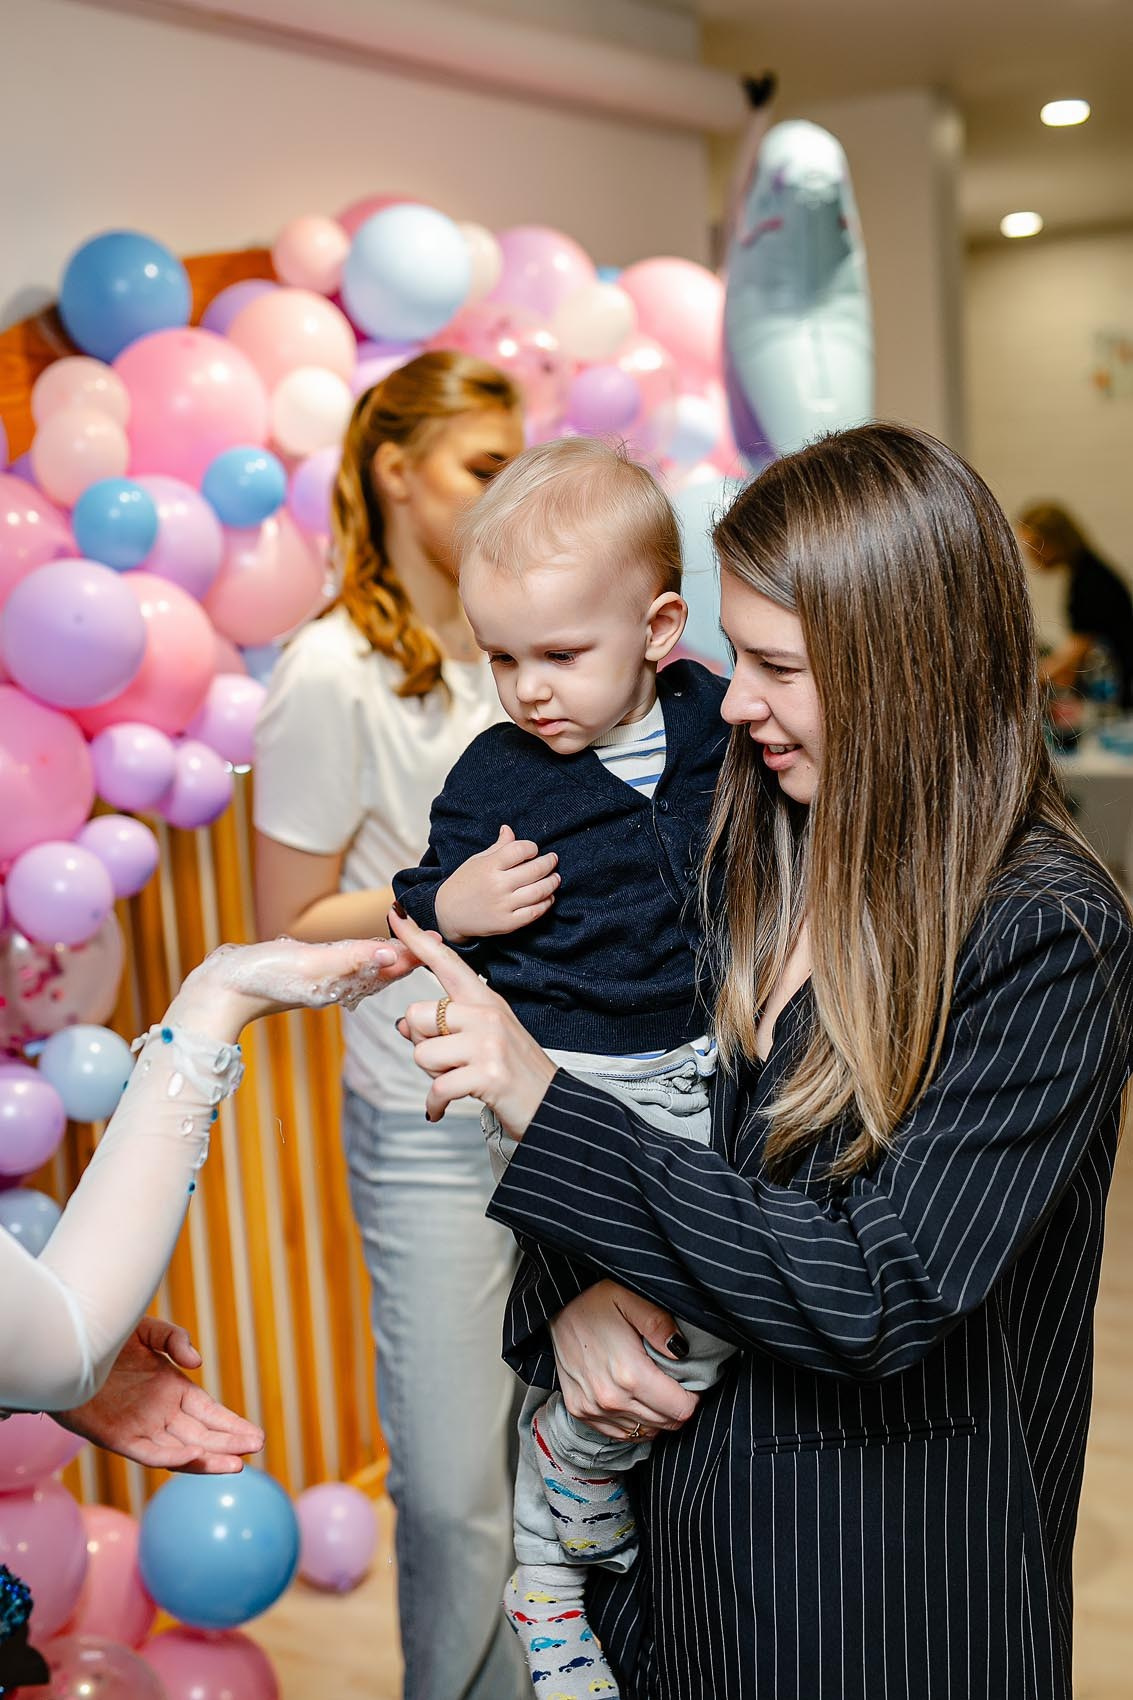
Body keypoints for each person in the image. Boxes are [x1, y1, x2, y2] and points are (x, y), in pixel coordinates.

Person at [378, 423, 1133, 1700]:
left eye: (776, 666)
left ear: (904, 668)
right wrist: (569, 1300)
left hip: (879, 1601)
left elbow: (877, 1285)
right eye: (735, 658)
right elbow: (626, 1102)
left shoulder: (1042, 930)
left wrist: (536, 1098)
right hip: (676, 1575)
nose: (729, 702)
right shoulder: (747, 822)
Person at [392, 438, 729, 1699]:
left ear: (658, 630)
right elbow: (414, 905)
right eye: (500, 657)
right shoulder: (496, 772)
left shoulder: (713, 723)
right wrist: (459, 904)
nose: (527, 689)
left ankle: (583, 1491)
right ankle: (547, 1560)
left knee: (706, 1318)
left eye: (559, 654)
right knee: (638, 1315)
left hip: (698, 1062)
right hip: (559, 1073)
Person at [252, 352, 529, 1700]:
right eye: (484, 467)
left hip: (564, 1102)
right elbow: (285, 923)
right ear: (394, 471)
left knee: (565, 1474)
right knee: (457, 1499)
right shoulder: (330, 671)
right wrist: (437, 897)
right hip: (430, 1134)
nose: (508, 495)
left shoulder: (521, 643)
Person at [1018, 500, 1133, 708]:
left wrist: (1033, 681)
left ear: (1055, 540)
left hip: (1119, 687)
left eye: (1035, 545)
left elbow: (1078, 647)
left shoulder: (1091, 581)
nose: (1031, 555)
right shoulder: (1085, 572)